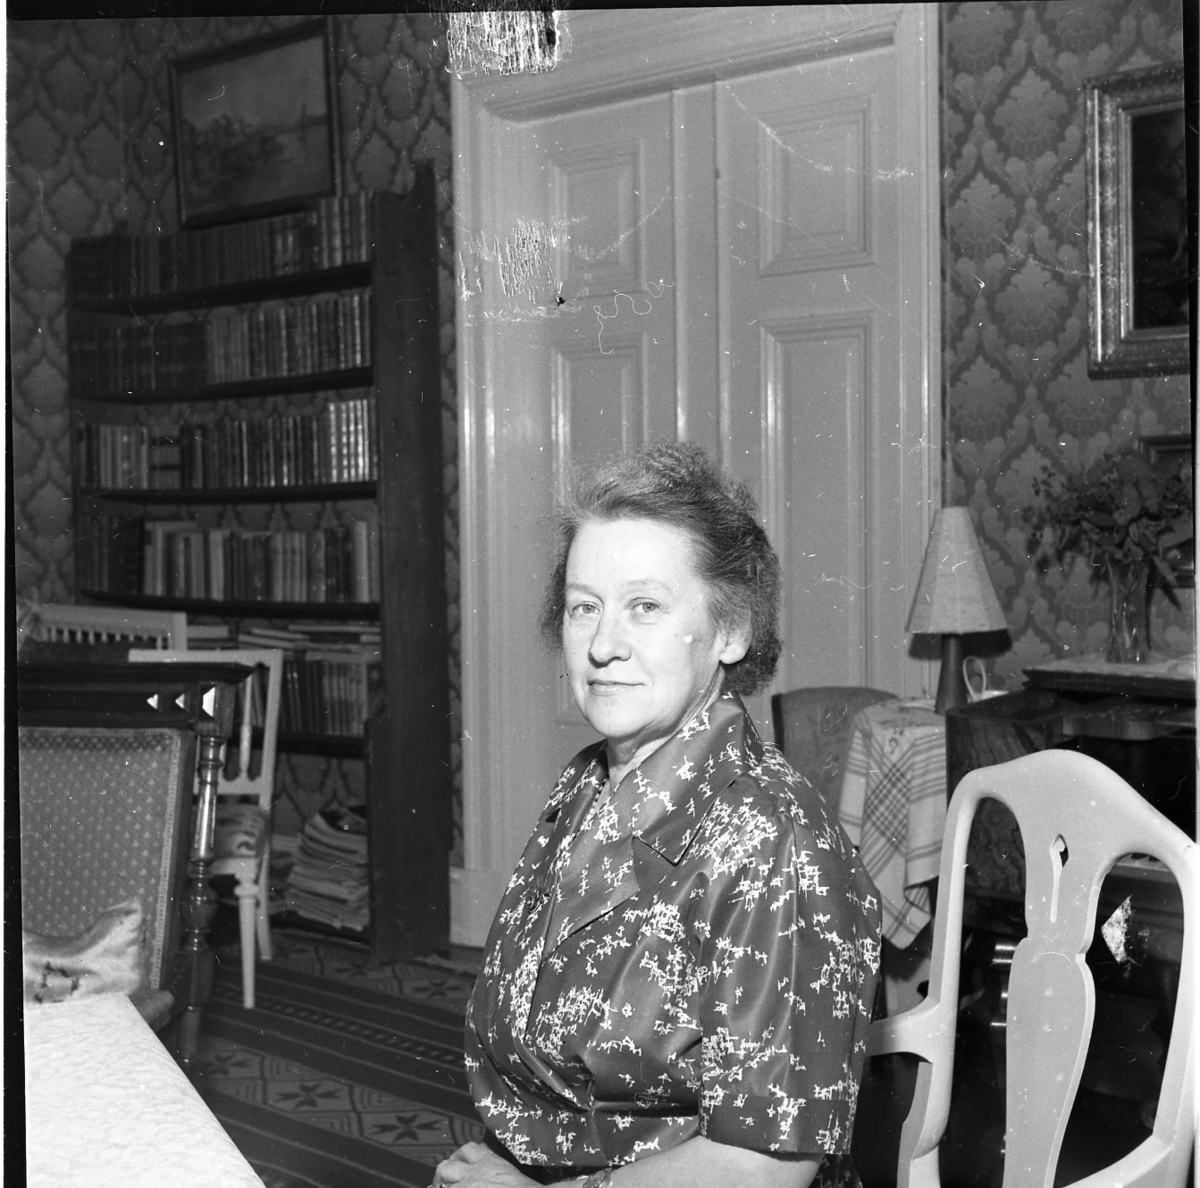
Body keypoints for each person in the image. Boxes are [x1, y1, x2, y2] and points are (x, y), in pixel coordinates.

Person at [434, 443, 881, 1188]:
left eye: (645, 606)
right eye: (584, 607)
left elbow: (761, 1171)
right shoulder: (587, 785)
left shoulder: (777, 845)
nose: (603, 646)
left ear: (731, 631)